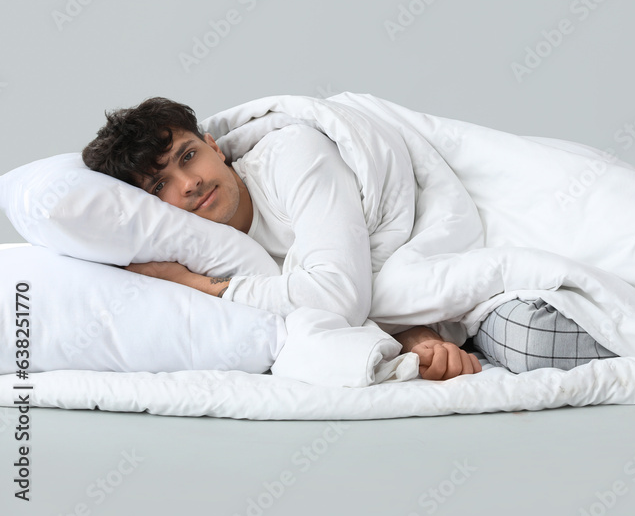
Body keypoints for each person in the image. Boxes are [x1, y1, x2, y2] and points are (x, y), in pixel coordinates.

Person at [81, 97, 491, 381]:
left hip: (480, 217)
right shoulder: (177, 249)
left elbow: (340, 296)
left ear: (213, 146)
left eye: (188, 156)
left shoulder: (294, 154)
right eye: (159, 186)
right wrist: (409, 335)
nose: (190, 183)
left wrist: (199, 288)